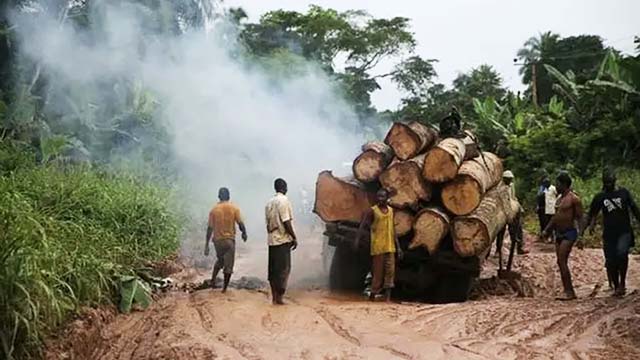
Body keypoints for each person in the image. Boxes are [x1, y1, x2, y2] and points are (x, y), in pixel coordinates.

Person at [585, 170, 640, 297]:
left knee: (621, 254)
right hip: (609, 234)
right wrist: (586, 229)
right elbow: (591, 214)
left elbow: (634, 209)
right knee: (610, 261)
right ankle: (616, 285)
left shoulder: (623, 193)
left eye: (610, 182)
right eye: (606, 183)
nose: (609, 185)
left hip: (624, 231)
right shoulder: (600, 197)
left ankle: (622, 284)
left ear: (614, 181)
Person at [355, 189, 403, 302]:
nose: (380, 199)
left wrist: (398, 247)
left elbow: (393, 229)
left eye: (382, 197)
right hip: (378, 246)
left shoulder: (391, 211)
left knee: (390, 271)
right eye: (378, 197)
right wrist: (357, 239)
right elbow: (363, 225)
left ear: (387, 198)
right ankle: (373, 294)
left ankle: (388, 297)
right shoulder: (372, 211)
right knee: (378, 272)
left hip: (390, 246)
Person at [542, 172, 584, 300]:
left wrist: (581, 236)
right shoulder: (559, 199)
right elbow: (555, 218)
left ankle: (570, 291)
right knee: (561, 262)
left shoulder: (574, 199)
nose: (556, 186)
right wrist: (547, 230)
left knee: (561, 259)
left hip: (569, 233)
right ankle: (567, 290)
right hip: (558, 233)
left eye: (558, 183)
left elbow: (580, 218)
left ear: (564, 184)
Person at [204, 187, 248, 293]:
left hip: (217, 241)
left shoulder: (214, 210)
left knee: (220, 260)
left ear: (219, 196)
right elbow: (240, 223)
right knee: (229, 265)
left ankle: (213, 280)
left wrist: (206, 245)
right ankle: (224, 289)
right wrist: (244, 233)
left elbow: (210, 228)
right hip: (229, 240)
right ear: (228, 196)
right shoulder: (234, 208)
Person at [265, 178, 297, 305]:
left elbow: (268, 225)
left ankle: (274, 298)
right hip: (283, 240)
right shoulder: (284, 201)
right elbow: (286, 221)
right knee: (284, 269)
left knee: (273, 271)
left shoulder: (269, 203)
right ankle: (280, 297)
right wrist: (294, 236)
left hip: (272, 241)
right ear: (284, 188)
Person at [495, 170, 527, 257]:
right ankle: (498, 250)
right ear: (504, 179)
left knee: (518, 228)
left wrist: (519, 207)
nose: (509, 181)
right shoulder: (499, 188)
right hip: (502, 211)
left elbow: (513, 197)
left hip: (512, 209)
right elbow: (501, 201)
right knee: (500, 232)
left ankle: (519, 247)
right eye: (508, 179)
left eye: (510, 179)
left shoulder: (511, 186)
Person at [537, 177, 557, 242]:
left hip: (553, 209)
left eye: (546, 183)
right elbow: (540, 196)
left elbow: (558, 195)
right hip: (547, 209)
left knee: (554, 223)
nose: (545, 184)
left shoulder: (553, 188)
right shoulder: (545, 189)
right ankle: (550, 237)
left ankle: (554, 237)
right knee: (548, 224)